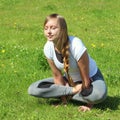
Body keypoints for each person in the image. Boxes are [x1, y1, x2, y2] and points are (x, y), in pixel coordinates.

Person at [28, 13, 107, 112]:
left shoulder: (76, 44)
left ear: (62, 30)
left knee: (99, 95)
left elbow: (86, 80)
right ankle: (72, 93)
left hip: (90, 80)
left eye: (53, 28)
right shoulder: (48, 47)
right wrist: (64, 100)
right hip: (69, 82)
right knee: (33, 89)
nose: (48, 31)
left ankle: (74, 95)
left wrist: (89, 105)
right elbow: (57, 77)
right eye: (46, 28)